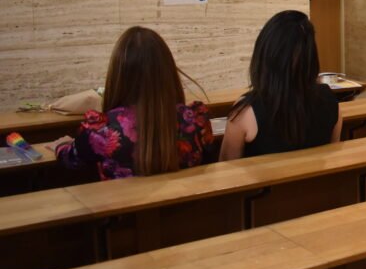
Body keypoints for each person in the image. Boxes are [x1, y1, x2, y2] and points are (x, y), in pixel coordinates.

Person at [54, 27, 213, 179]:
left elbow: (71, 160)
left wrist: (61, 146)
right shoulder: (195, 120)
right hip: (184, 206)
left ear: (119, 75)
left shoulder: (101, 130)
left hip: (119, 206)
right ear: (167, 70)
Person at [221, 10, 343, 160]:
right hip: (317, 183)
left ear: (264, 54)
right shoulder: (330, 101)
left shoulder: (245, 112)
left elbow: (227, 171)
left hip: (264, 183)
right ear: (311, 58)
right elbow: (333, 155)